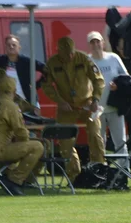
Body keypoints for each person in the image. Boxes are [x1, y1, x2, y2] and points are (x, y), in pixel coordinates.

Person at [42, 36, 105, 179]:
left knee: (95, 135)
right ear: (59, 52)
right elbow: (46, 85)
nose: (69, 57)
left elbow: (98, 80)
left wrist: (95, 99)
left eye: (71, 53)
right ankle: (74, 176)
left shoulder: (84, 59)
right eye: (66, 54)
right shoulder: (52, 64)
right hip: (66, 107)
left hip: (87, 104)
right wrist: (59, 101)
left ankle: (99, 170)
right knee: (65, 141)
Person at [0, 69, 43, 195]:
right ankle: (14, 180)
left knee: (23, 146)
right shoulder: (10, 106)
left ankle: (9, 175)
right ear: (13, 90)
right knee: (38, 146)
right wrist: (24, 143)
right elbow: (21, 133)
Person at [87, 31, 131, 170]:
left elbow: (127, 78)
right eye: (92, 42)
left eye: (98, 41)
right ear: (89, 45)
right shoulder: (87, 61)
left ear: (103, 43)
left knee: (120, 140)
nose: (96, 45)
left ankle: (123, 170)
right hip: (96, 109)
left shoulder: (113, 58)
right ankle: (98, 169)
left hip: (114, 107)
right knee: (98, 141)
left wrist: (117, 85)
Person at [0, 34, 44, 109]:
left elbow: (47, 70)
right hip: (10, 103)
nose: (11, 47)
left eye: (14, 45)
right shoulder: (1, 60)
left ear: (19, 47)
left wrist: (36, 85)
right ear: (5, 48)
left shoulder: (26, 61)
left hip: (28, 101)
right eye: (8, 45)